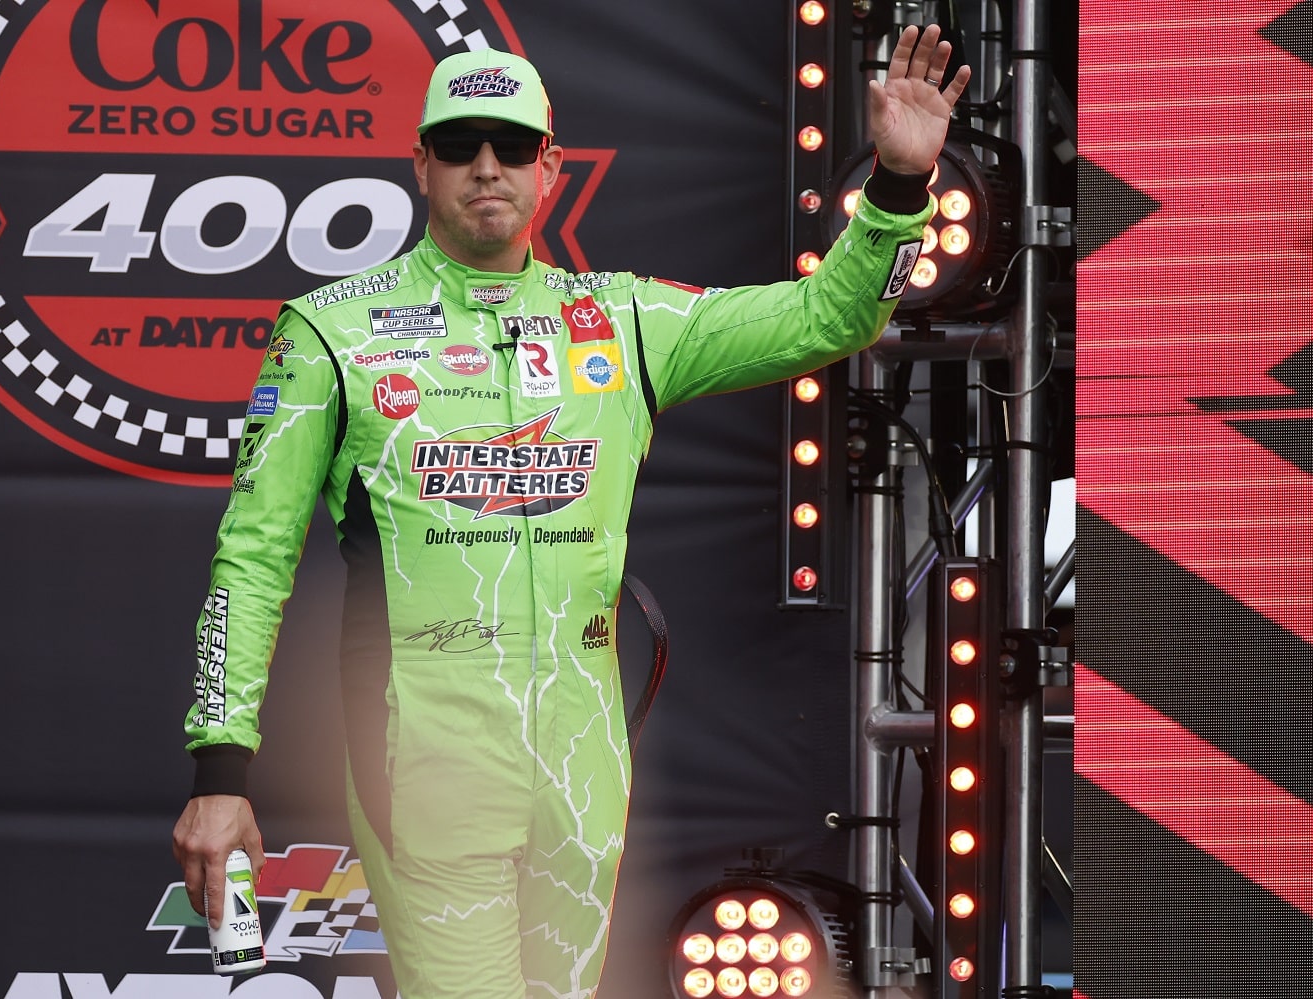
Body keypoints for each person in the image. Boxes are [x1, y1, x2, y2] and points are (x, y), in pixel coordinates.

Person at [173, 25, 969, 999]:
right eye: (459, 144)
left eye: (511, 146)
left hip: (583, 758)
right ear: (420, 164)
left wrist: (895, 187)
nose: (485, 167)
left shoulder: (623, 318)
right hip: (422, 748)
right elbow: (249, 561)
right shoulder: (330, 330)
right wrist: (220, 774)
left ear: (551, 168)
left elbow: (832, 320)